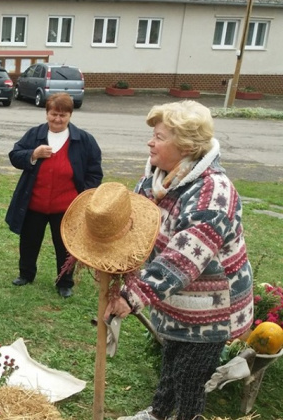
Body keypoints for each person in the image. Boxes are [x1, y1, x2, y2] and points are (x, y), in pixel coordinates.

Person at [104, 101, 254, 420]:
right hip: (177, 299)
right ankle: (158, 413)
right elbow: (136, 227)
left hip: (214, 308)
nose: (150, 141)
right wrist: (110, 259)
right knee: (171, 358)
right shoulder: (157, 180)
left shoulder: (213, 192)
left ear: (185, 145)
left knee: (190, 380)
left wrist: (132, 296)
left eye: (159, 136)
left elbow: (184, 256)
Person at [5, 92, 103, 298]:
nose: (57, 119)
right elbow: (14, 156)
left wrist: (82, 195)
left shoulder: (84, 140)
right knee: (29, 241)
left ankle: (64, 282)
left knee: (65, 246)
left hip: (66, 207)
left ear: (70, 116)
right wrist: (32, 154)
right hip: (34, 204)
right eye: (53, 114)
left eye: (62, 115)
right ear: (46, 113)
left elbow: (94, 172)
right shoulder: (35, 135)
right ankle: (26, 274)